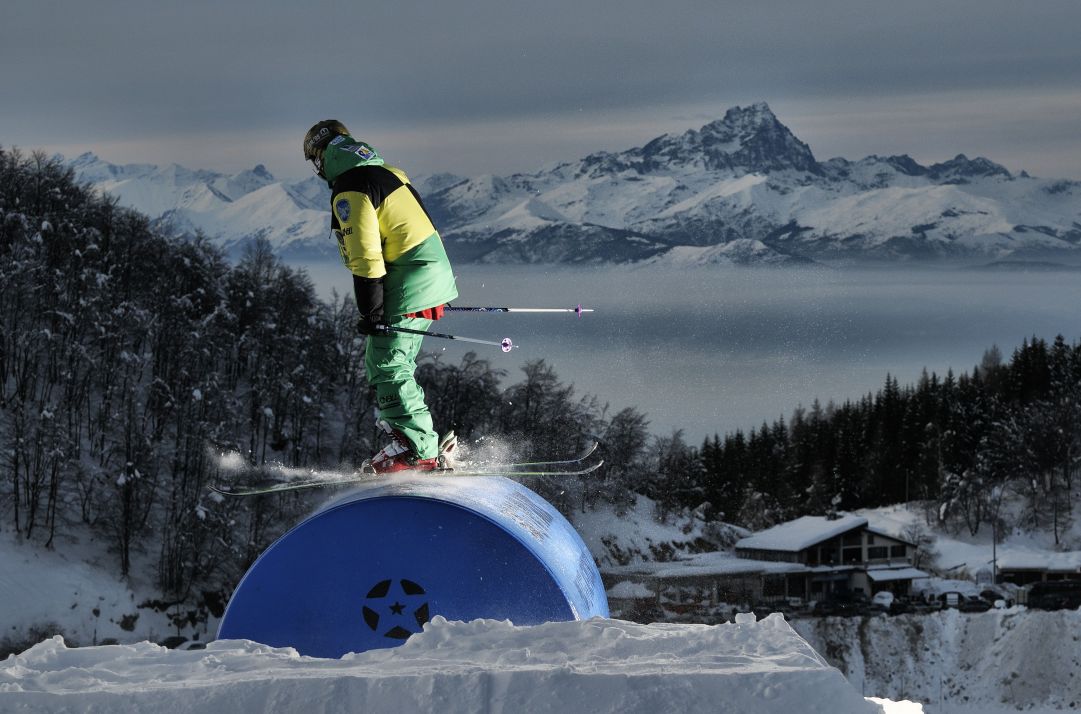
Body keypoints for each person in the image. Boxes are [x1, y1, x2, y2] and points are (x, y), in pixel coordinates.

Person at [303, 120, 458, 473]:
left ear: (322, 156)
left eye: (315, 161)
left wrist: (371, 313)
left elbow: (366, 257)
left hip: (408, 280)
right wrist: (430, 288)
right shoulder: (386, 172)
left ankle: (417, 449)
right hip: (426, 273)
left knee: (386, 363)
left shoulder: (351, 188)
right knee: (396, 361)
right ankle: (422, 439)